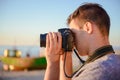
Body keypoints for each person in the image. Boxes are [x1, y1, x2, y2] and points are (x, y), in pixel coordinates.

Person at [44, 3, 120, 80]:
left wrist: (52, 64)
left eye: (73, 33)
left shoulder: (97, 71)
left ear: (88, 27)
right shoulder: (114, 61)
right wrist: (66, 56)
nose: (72, 39)